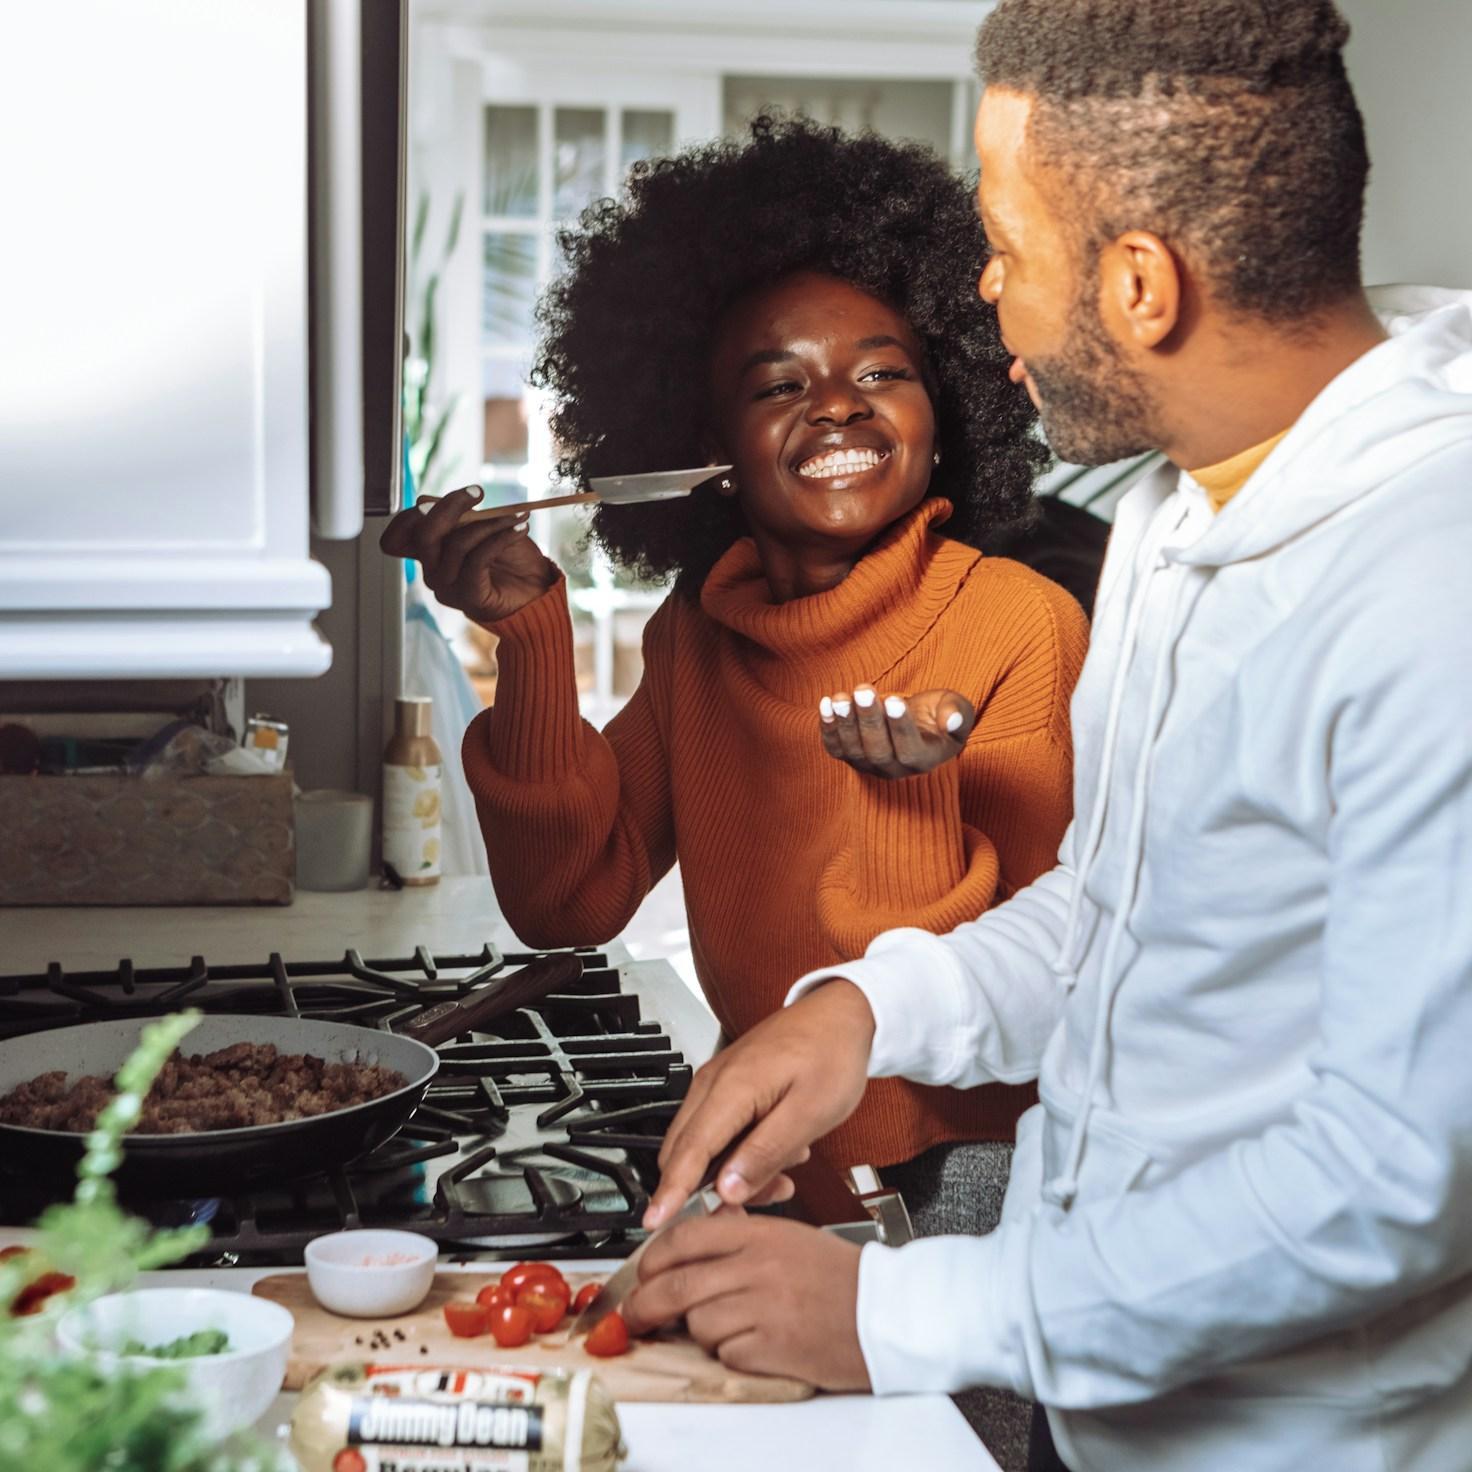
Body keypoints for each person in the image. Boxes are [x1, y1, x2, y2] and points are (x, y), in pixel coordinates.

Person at [624, 6, 1472, 1472]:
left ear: (1140, 284)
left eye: (1007, 246)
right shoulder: (1175, 513)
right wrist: (869, 1014)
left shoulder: (1432, 591)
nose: (986, 294)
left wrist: (901, 1314)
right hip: (1112, 1419)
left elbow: (1392, 1181)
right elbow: (1128, 908)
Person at [380, 119, 1089, 1238]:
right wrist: (528, 640)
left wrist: (904, 794)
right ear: (703, 443)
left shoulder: (1018, 623)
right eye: (778, 384)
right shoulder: (699, 636)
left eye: (882, 371)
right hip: (770, 1161)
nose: (840, 402)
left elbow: (1048, 978)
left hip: (970, 1189)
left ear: (946, 412)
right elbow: (569, 899)